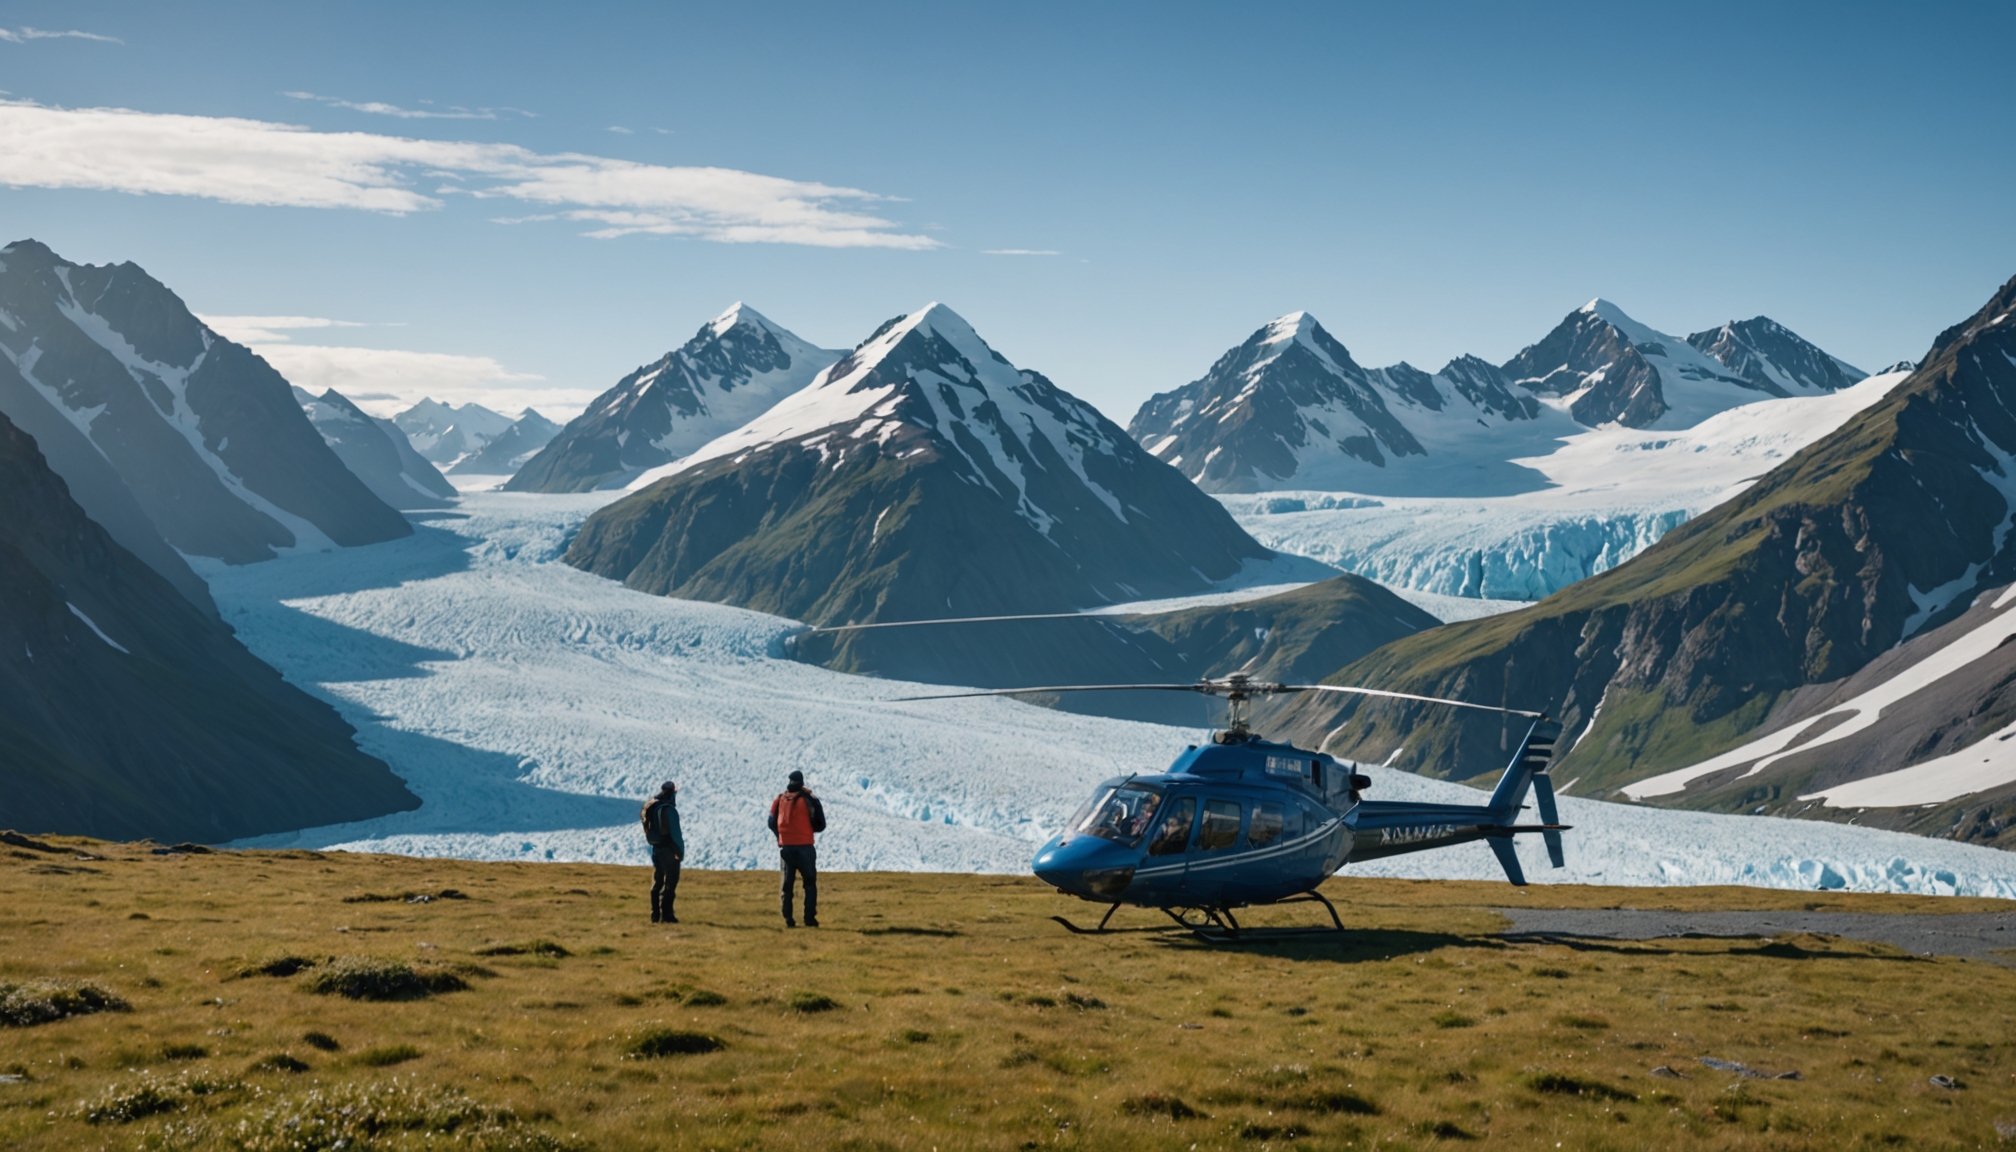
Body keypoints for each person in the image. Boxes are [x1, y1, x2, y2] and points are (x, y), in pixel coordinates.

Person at [767, 769, 825, 927]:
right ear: (802, 782)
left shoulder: (780, 800)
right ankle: (809, 919)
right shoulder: (809, 799)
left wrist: (780, 837)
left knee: (787, 885)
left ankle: (788, 919)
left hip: (786, 848)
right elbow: (821, 825)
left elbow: (771, 822)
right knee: (810, 883)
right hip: (805, 847)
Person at [641, 781, 683, 924]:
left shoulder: (651, 804)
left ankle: (655, 915)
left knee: (658, 881)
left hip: (656, 848)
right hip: (669, 850)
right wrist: (679, 852)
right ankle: (667, 915)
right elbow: (675, 833)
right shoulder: (667, 808)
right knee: (670, 883)